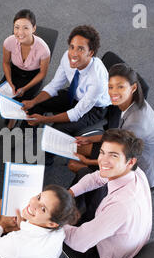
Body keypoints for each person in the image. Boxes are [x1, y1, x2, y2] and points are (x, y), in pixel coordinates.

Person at [21, 25, 111, 164]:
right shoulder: (67, 57)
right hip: (74, 94)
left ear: (91, 52)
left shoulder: (97, 80)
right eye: (72, 46)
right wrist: (34, 102)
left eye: (80, 49)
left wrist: (44, 120)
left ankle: (46, 160)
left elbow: (76, 113)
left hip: (93, 109)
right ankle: (26, 136)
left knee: (57, 130)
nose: (73, 53)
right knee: (36, 104)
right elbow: (54, 85)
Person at [64, 129, 152, 258]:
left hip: (105, 257)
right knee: (85, 173)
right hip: (125, 235)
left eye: (113, 155)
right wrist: (69, 193)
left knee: (46, 225)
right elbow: (97, 177)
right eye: (102, 152)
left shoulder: (121, 206)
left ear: (130, 162)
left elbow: (77, 242)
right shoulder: (135, 171)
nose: (102, 160)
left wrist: (54, 220)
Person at [68, 63, 154, 187]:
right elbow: (119, 134)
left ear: (133, 88)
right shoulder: (133, 102)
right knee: (75, 146)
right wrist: (89, 139)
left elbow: (120, 160)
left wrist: (88, 161)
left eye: (120, 87)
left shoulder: (136, 123)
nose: (113, 92)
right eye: (110, 87)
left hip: (133, 171)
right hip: (122, 149)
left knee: (73, 164)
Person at [1, 9, 51, 130]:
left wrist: (25, 88)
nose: (20, 32)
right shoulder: (9, 41)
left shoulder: (43, 49)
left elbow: (43, 73)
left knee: (22, 100)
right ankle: (11, 117)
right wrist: (10, 82)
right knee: (7, 94)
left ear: (34, 28)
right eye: (16, 27)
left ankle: (11, 124)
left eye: (25, 28)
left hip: (33, 77)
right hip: (15, 72)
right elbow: (6, 63)